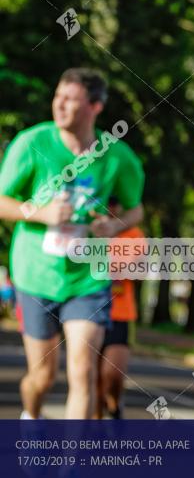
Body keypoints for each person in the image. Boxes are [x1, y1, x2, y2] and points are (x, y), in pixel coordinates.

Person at [0, 67, 145, 419]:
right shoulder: (32, 143)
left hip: (88, 278)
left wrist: (113, 224)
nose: (59, 105)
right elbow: (2, 200)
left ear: (95, 107)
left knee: (82, 371)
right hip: (37, 274)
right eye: (58, 97)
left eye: (71, 99)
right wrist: (41, 212)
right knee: (43, 376)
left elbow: (135, 208)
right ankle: (31, 417)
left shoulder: (117, 157)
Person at [93, 197, 144, 419]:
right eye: (107, 201)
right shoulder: (86, 230)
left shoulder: (134, 235)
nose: (111, 207)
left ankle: (114, 404)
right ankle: (94, 426)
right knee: (91, 376)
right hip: (89, 312)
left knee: (112, 373)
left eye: (116, 202)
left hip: (120, 313)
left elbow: (136, 269)